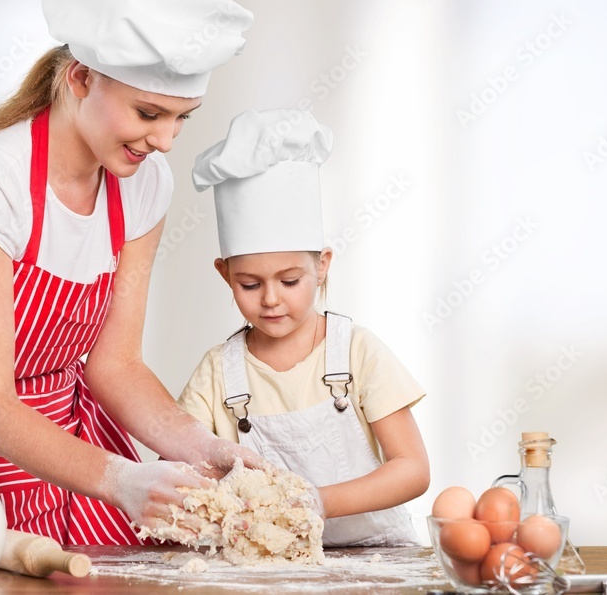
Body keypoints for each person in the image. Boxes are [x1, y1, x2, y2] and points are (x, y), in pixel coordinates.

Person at [0, 0, 262, 548]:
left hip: (74, 447)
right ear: (81, 77)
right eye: (149, 112)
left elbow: (115, 364)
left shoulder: (142, 184)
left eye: (183, 118)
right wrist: (123, 480)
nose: (165, 140)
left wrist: (210, 449)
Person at [178, 109, 431, 547]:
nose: (271, 299)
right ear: (224, 274)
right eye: (250, 284)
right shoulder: (218, 373)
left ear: (323, 265)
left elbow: (412, 469)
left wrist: (318, 500)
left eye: (290, 281)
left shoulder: (357, 352)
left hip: (377, 562)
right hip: (268, 565)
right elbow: (179, 468)